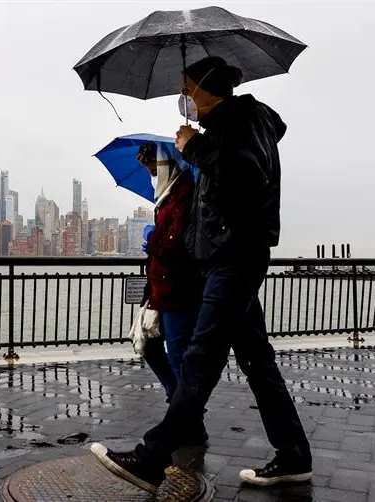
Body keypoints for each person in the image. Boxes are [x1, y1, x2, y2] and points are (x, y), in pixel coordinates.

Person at [90, 56, 312, 491]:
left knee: (200, 361)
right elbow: (217, 193)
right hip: (230, 258)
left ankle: (153, 458)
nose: (185, 97)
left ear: (209, 89)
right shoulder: (236, 127)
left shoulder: (241, 123)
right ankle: (294, 455)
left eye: (188, 87)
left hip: (234, 260)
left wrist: (194, 147)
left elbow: (242, 175)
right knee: (257, 362)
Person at [133, 143, 202, 429]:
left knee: (178, 354)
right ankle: (178, 401)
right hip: (160, 287)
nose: (151, 175)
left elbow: (176, 242)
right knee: (147, 345)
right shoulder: (166, 197)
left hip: (178, 289)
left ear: (165, 165)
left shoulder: (185, 193)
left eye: (153, 169)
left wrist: (151, 240)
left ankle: (188, 420)